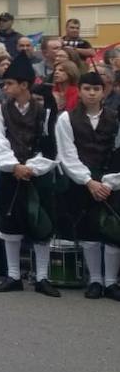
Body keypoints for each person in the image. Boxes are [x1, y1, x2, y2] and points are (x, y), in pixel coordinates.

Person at [0, 51, 59, 296]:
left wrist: (32, 167)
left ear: (24, 85)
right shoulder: (1, 111)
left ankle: (42, 277)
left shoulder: (46, 112)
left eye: (9, 83)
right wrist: (13, 166)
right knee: (10, 224)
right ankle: (13, 275)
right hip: (11, 174)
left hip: (38, 175)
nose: (5, 87)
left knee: (42, 225)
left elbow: (50, 145)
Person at [53, 71, 120, 300]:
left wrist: (110, 182)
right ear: (79, 91)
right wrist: (88, 181)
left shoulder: (116, 118)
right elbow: (67, 155)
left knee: (112, 231)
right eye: (87, 89)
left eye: (96, 89)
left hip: (112, 183)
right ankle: (95, 280)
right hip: (82, 183)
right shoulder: (66, 119)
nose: (92, 93)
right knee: (89, 231)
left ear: (104, 91)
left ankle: (111, 282)